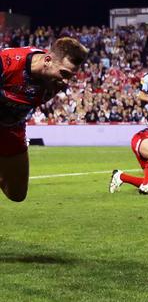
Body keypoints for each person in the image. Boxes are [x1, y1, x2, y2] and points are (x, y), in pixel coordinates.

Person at [0, 37, 89, 202]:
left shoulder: (53, 83)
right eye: (64, 73)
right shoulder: (7, 62)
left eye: (71, 76)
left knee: (17, 194)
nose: (66, 82)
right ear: (47, 60)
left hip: (13, 128)